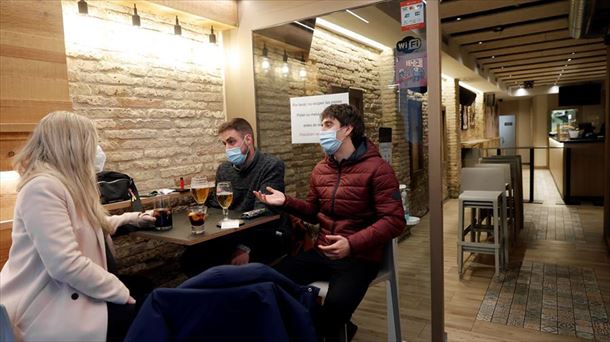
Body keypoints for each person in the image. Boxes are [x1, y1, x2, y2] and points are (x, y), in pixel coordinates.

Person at [254, 104, 406, 342]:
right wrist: (286, 202)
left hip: (360, 258)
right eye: (321, 125)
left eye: (327, 125)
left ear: (347, 129)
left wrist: (351, 244)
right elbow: (314, 212)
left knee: (334, 308)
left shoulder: (378, 169)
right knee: (271, 279)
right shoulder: (320, 169)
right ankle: (317, 328)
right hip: (323, 251)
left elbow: (395, 221)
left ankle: (327, 329)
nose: (321, 131)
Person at [0, 111, 155, 342]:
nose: (97, 152)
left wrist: (132, 218)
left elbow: (88, 226)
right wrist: (119, 290)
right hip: (48, 307)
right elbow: (65, 264)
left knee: (149, 291)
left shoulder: (66, 185)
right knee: (148, 307)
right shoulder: (41, 188)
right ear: (71, 146)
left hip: (72, 292)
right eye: (92, 144)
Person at [181, 118, 289, 275]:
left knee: (229, 267)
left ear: (248, 139)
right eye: (224, 144)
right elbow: (216, 206)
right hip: (231, 235)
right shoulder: (224, 169)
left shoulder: (271, 165)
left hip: (265, 236)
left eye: (231, 142)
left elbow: (265, 212)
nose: (227, 149)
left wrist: (244, 247)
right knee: (191, 259)